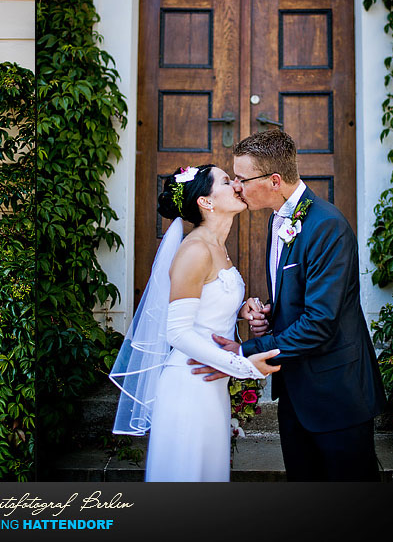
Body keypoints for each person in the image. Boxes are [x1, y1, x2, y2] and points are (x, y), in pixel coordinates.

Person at [196, 130, 386, 481]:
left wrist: (244, 352)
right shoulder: (278, 220)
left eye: (242, 178)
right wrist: (272, 313)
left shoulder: (327, 226)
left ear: (274, 180)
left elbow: (320, 321)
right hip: (296, 394)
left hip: (337, 396)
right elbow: (299, 295)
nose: (237, 186)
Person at [110, 164, 280, 481]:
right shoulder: (196, 250)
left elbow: (207, 304)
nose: (238, 186)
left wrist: (242, 308)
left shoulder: (217, 246)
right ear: (206, 202)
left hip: (211, 388)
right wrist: (244, 365)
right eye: (228, 182)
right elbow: (177, 331)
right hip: (187, 386)